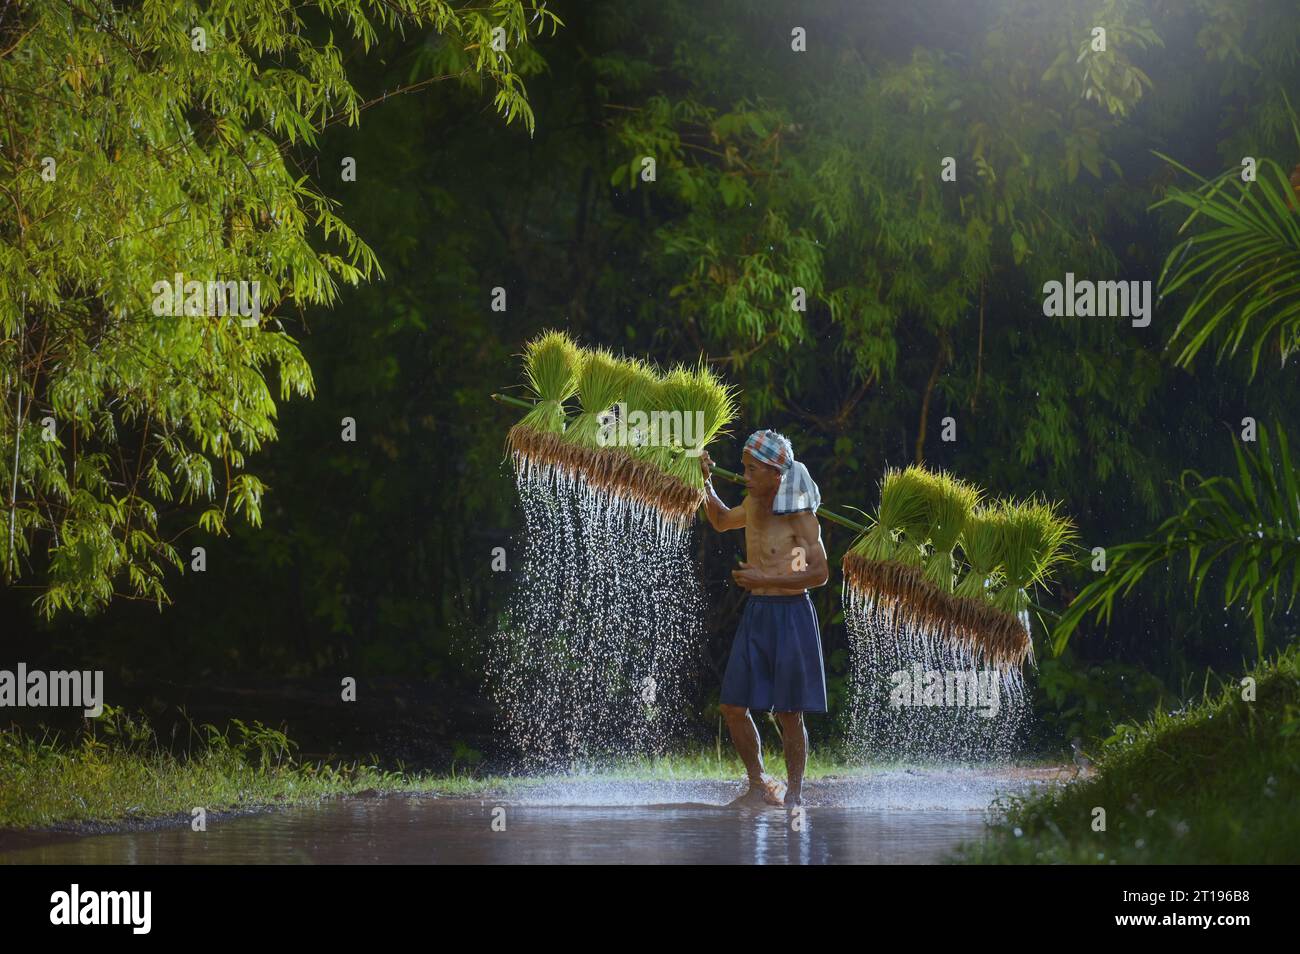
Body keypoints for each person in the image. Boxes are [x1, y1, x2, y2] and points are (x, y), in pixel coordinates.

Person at [700, 429, 829, 808]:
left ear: (776, 473)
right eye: (743, 468)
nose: (745, 476)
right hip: (757, 612)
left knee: (789, 712)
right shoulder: (752, 504)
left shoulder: (800, 517)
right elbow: (722, 521)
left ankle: (795, 793)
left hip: (791, 615)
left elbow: (819, 573)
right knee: (732, 706)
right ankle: (758, 785)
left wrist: (766, 578)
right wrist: (705, 482)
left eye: (752, 470)